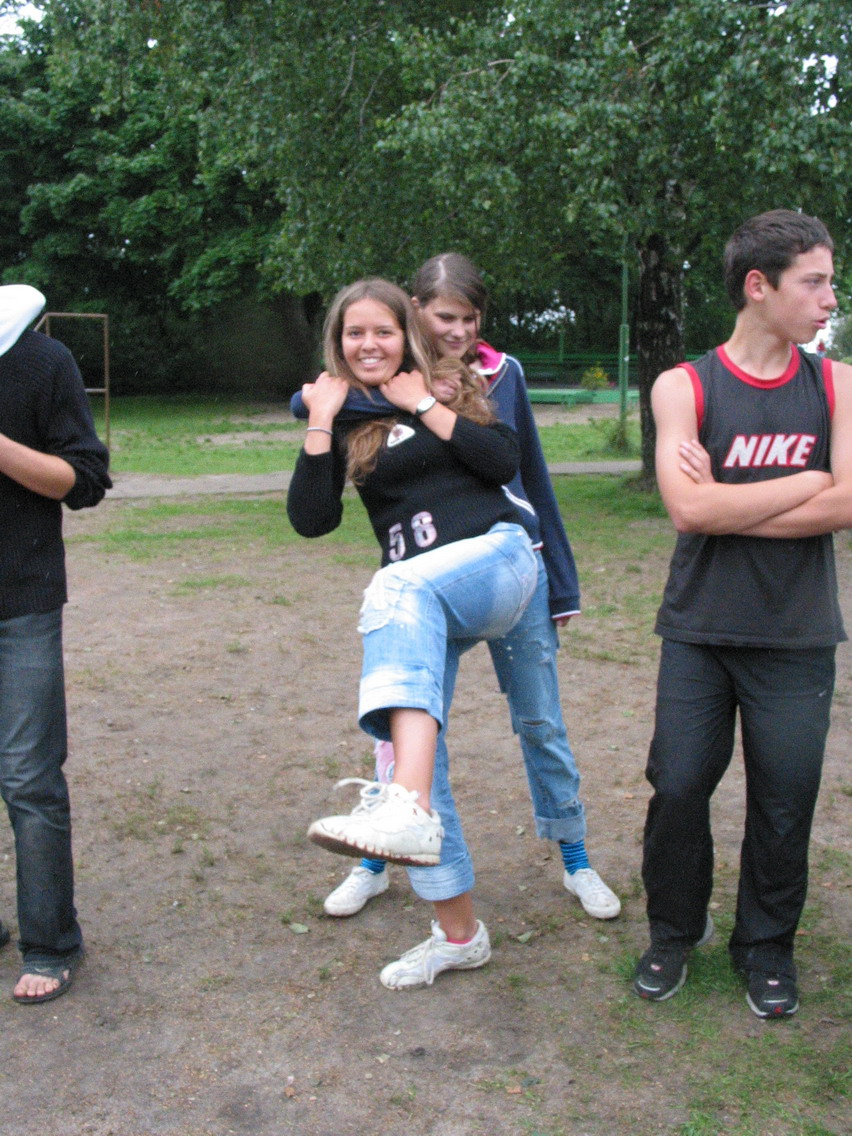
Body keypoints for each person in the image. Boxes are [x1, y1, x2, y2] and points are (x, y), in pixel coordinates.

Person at [310, 253, 620, 934]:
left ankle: (576, 857)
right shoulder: (353, 396)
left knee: (540, 722)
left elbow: (524, 471)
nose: (457, 331)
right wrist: (315, 410)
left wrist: (561, 581)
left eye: (469, 319)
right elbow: (316, 475)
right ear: (415, 310)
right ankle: (380, 857)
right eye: (444, 317)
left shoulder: (479, 379)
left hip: (504, 564)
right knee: (408, 721)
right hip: (423, 582)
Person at [287, 278, 538, 981]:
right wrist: (318, 420)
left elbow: (503, 462)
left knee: (392, 585)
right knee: (411, 763)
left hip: (496, 561)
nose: (368, 344)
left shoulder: (449, 385)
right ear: (338, 343)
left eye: (383, 331)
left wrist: (424, 404)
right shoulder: (343, 415)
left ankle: (407, 808)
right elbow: (311, 520)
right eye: (354, 333)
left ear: (408, 336)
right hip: (423, 600)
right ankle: (459, 934)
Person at [633, 210, 849, 1018]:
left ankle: (766, 946)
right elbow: (688, 511)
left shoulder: (838, 385)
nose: (830, 299)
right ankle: (672, 933)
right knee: (680, 785)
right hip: (700, 630)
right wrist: (807, 482)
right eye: (815, 282)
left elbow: (849, 501)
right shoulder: (683, 386)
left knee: (785, 798)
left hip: (796, 636)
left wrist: (729, 500)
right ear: (759, 286)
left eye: (831, 282)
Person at [0, 283, 111, 1004]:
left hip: (20, 599)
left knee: (29, 779)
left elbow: (86, 480)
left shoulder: (41, 361)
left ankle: (49, 943)